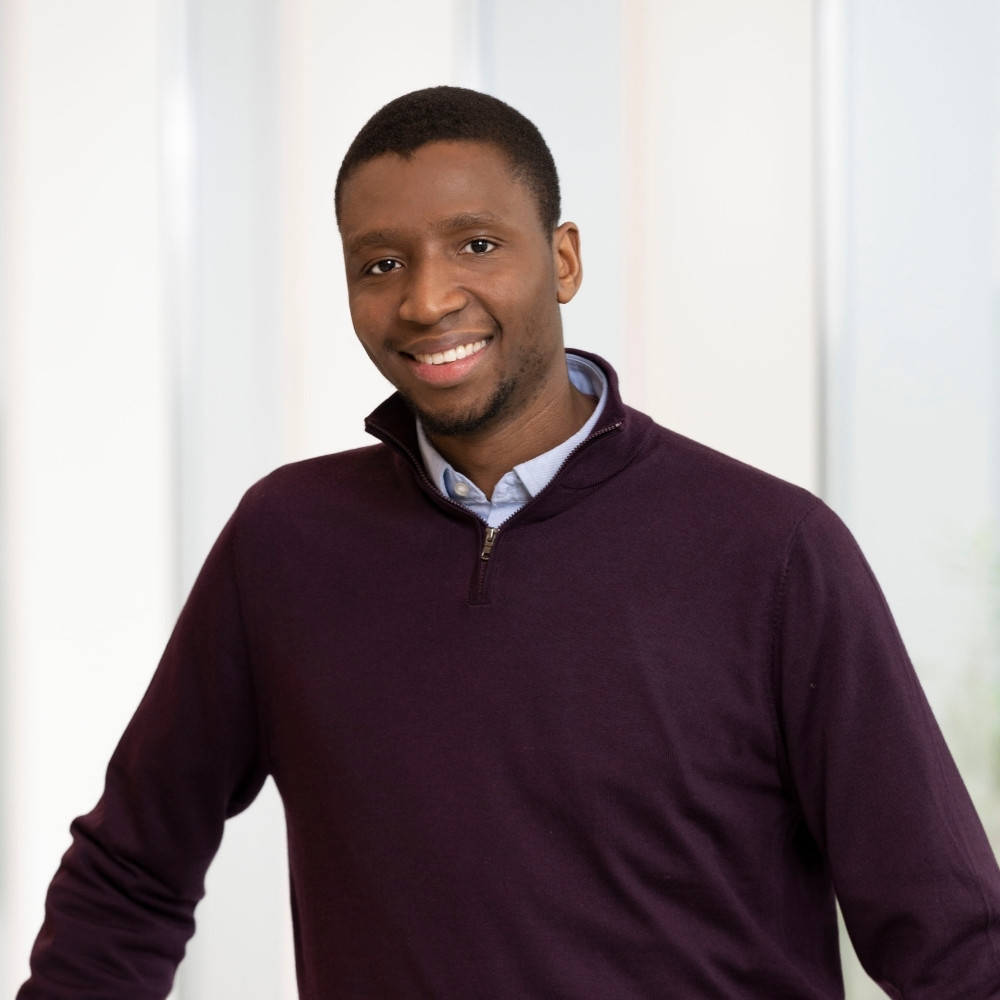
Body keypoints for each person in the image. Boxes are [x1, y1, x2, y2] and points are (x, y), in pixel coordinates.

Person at [18, 86, 1000, 1000]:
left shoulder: (774, 551)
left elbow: (954, 943)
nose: (427, 299)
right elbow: (129, 877)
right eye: (381, 262)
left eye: (477, 244)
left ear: (563, 258)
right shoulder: (284, 544)